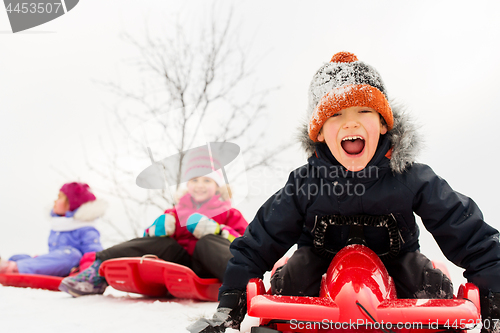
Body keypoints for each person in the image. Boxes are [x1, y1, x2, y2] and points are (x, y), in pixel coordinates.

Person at [189, 52, 500, 333]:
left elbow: (468, 233)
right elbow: (259, 242)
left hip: (396, 261)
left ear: (381, 124)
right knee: (292, 277)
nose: (350, 122)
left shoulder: (411, 177)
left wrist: (494, 299)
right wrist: (229, 305)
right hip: (319, 264)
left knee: (428, 283)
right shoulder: (306, 183)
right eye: (335, 115)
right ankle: (283, 321)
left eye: (363, 110)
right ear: (320, 133)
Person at [59, 147, 248, 297]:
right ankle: (97, 271)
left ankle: (243, 285)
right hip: (180, 265)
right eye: (194, 179)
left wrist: (218, 230)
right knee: (162, 243)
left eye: (207, 180)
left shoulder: (229, 213)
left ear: (217, 186)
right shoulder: (175, 212)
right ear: (187, 184)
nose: (199, 185)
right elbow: (148, 243)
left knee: (206, 242)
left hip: (211, 266)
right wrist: (153, 230)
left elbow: (245, 243)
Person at [0, 182, 105, 277]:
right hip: (55, 265)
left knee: (71, 255)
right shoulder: (59, 225)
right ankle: (14, 265)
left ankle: (13, 268)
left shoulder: (86, 228)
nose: (55, 200)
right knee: (17, 257)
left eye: (59, 197)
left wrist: (86, 274)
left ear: (72, 203)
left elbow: (94, 255)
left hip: (72, 268)